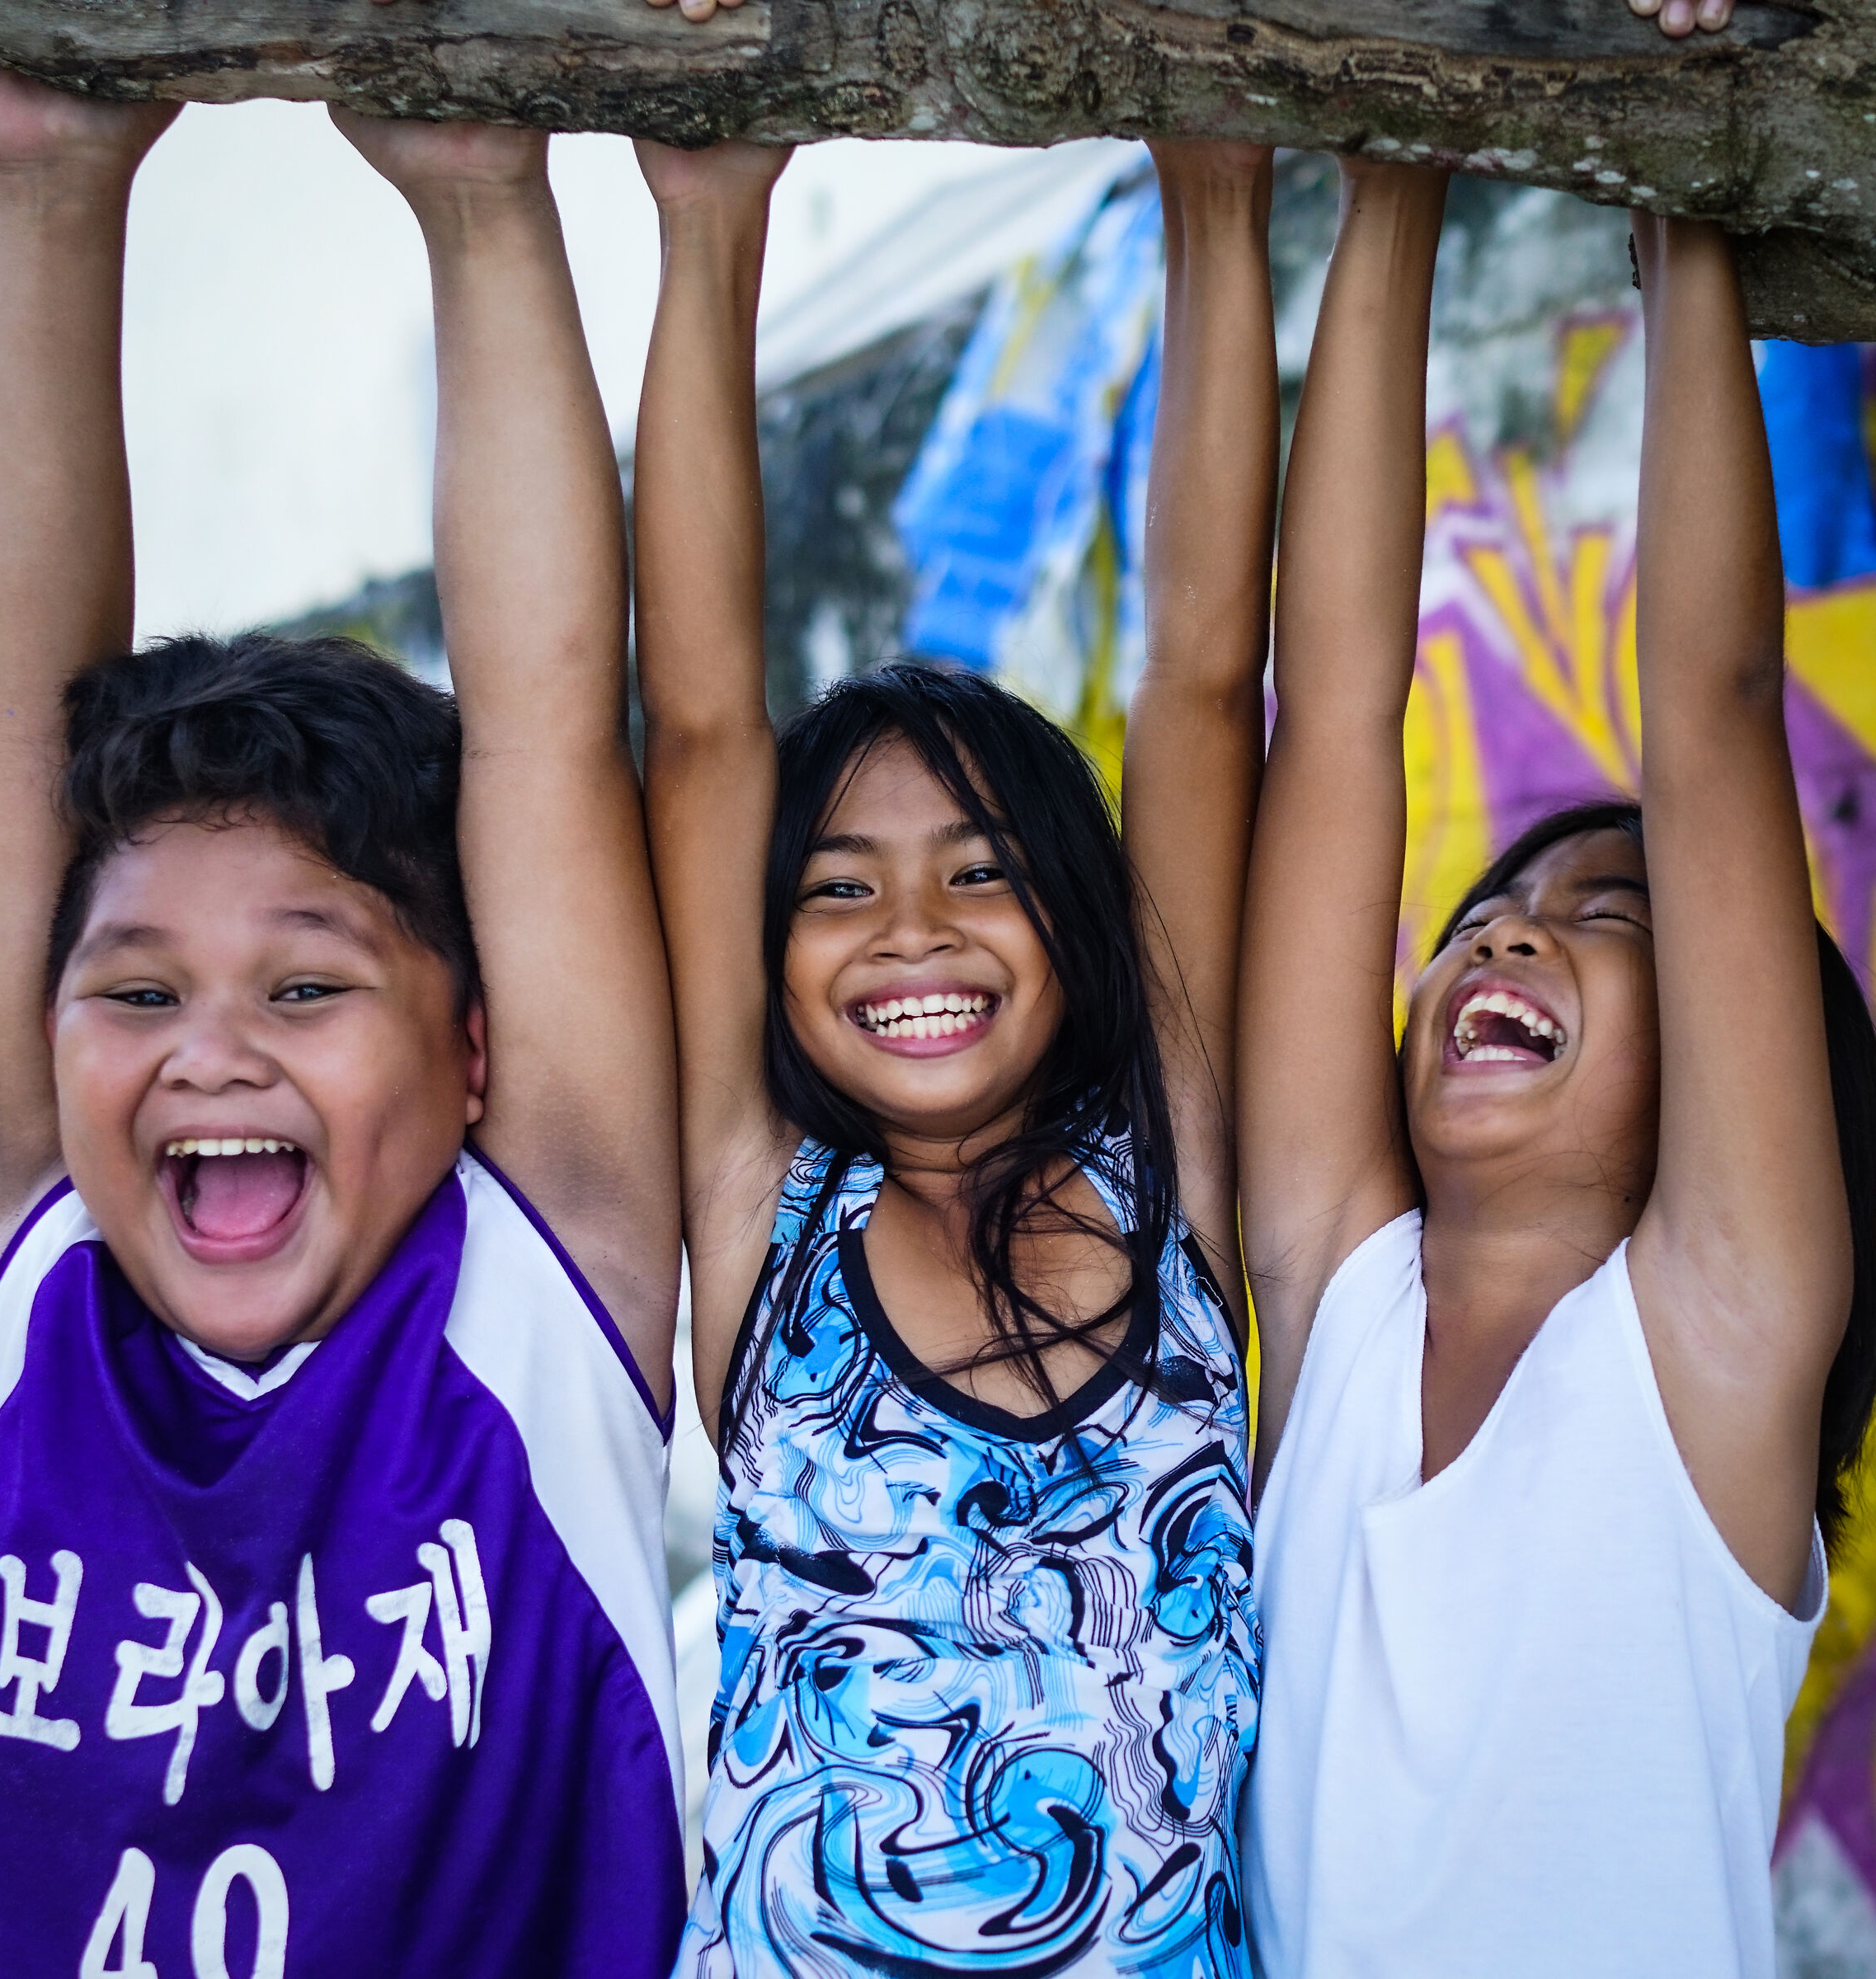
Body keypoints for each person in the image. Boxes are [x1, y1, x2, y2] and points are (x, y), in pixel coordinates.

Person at [0, 58, 686, 1977]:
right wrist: (50, 184)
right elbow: (0, 746)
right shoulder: (28, 1273)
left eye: (308, 985)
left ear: (478, 1050)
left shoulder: (539, 1287)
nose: (211, 1048)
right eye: (138, 990)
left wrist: (484, 201)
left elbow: (547, 731)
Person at [632, 134, 1278, 1977]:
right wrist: (709, 218)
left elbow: (1202, 680)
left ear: (1080, 917)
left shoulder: (1178, 1179)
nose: (911, 929)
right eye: (838, 887)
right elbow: (700, 718)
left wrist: (1218, 197)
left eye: (981, 872)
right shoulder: (768, 1216)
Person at [1235, 160, 1876, 1978]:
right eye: (1487, 913)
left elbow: (1715, 712)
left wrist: (1680, 196)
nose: (1505, 937)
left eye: (1610, 917)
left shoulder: (1715, 1353)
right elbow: (1332, 716)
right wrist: (1387, 172)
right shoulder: (1338, 1297)